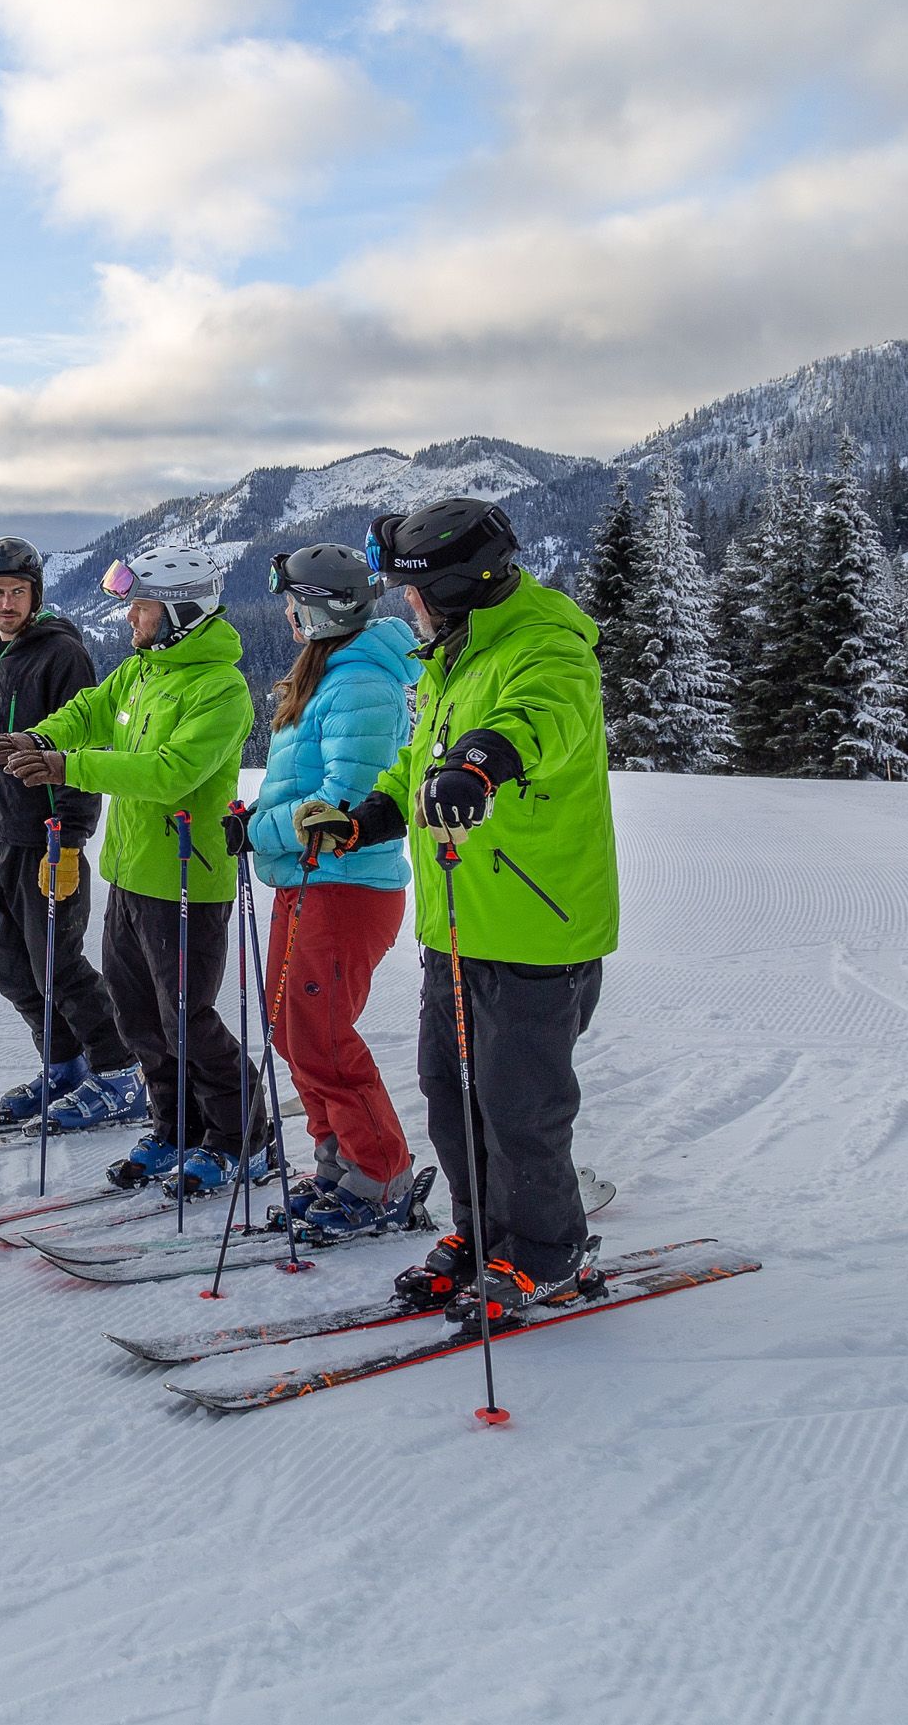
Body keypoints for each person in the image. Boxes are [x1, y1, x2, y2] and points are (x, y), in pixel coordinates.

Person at [297, 500, 619, 1320]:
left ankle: (551, 1254)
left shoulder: (547, 644)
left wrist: (477, 766)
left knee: (521, 1107)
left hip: (534, 928)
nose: (405, 605)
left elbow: (534, 720)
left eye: (413, 590)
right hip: (458, 921)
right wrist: (370, 813)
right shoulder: (456, 652)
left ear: (452, 586)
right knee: (451, 1091)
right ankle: (482, 1239)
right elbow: (419, 758)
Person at [0, 546, 264, 1196]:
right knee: (139, 1021)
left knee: (187, 1020)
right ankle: (172, 1128)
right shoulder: (142, 670)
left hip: (188, 881)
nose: (131, 617)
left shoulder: (221, 688)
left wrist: (68, 768)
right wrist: (43, 738)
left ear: (179, 612)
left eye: (142, 606)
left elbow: (170, 772)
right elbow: (90, 712)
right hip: (131, 873)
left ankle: (242, 1138)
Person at [240, 542, 422, 1237]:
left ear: (322, 610)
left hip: (348, 883)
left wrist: (263, 832)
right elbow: (301, 789)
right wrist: (255, 820)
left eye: (295, 602)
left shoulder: (361, 686)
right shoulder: (326, 674)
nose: (287, 612)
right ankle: (340, 1160)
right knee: (292, 1029)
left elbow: (341, 801)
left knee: (319, 1031)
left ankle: (381, 1175)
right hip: (308, 878)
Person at [0, 536, 143, 1133]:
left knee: (58, 965)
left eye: (17, 592)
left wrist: (69, 840)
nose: (7, 603)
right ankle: (64, 1065)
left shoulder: (61, 656)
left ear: (34, 595)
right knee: (9, 965)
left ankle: (118, 1074)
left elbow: (83, 750)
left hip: (44, 839)